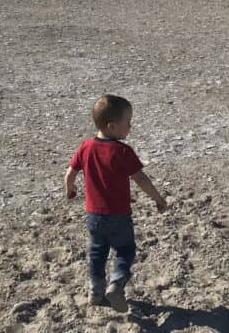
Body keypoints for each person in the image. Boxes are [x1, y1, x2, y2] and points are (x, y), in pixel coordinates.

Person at [64, 94, 168, 312]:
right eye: (127, 121)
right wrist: (158, 199)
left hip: (93, 216)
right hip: (119, 216)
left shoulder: (86, 147)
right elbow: (141, 179)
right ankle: (116, 284)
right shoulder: (122, 151)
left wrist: (70, 188)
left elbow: (70, 173)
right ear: (111, 126)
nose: (131, 125)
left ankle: (95, 292)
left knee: (96, 254)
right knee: (125, 250)